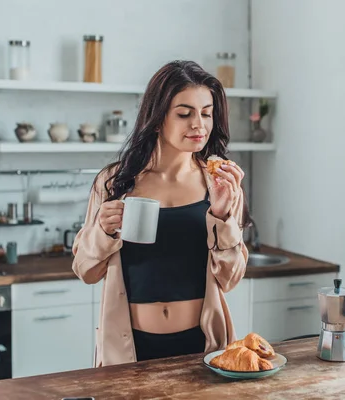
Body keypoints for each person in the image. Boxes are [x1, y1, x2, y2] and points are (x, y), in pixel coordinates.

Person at [72, 60, 250, 366]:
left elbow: (230, 279)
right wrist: (103, 232)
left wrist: (222, 216)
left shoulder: (219, 184)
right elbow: (85, 271)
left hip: (202, 349)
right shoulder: (114, 182)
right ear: (157, 119)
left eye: (206, 113)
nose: (199, 125)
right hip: (130, 351)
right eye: (184, 113)